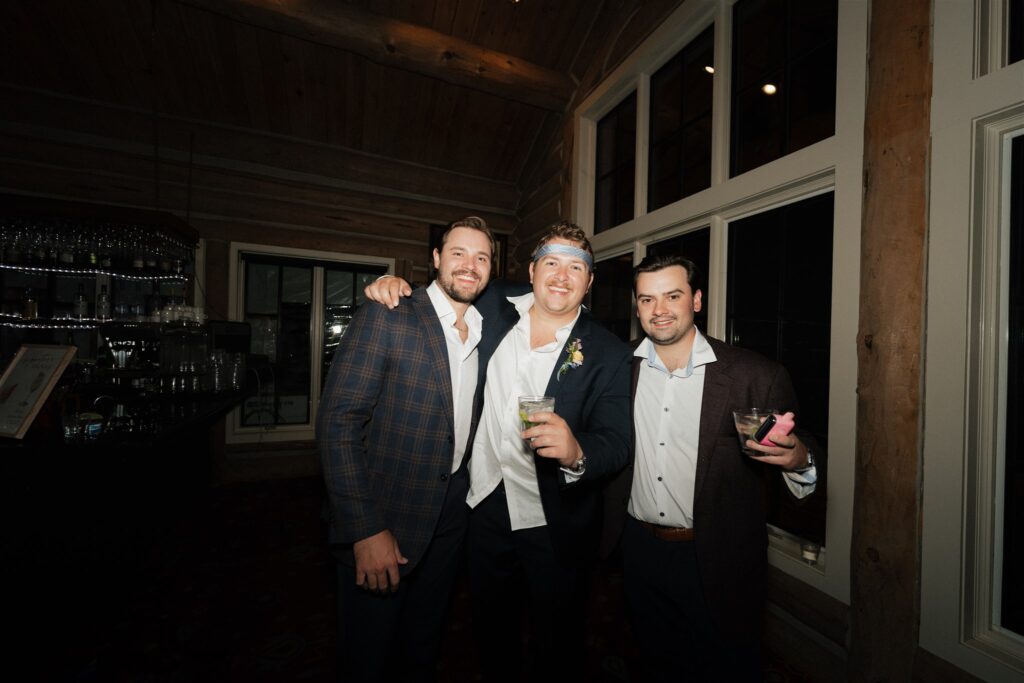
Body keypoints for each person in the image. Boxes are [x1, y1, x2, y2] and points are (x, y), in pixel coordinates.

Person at [365, 222, 632, 683]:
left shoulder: (609, 352)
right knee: (490, 629)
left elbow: (618, 441)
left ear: (589, 282)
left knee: (558, 639)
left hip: (554, 520)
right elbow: (445, 291)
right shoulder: (493, 304)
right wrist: (393, 287)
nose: (561, 276)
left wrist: (576, 452)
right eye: (551, 262)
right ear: (531, 271)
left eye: (576, 267)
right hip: (482, 506)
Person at [622, 252, 819, 682]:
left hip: (718, 557)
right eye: (646, 299)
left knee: (728, 666)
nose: (659, 310)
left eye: (672, 296)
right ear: (636, 308)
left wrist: (798, 460)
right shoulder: (620, 370)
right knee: (656, 662)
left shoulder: (755, 375)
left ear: (696, 300)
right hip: (638, 552)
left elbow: (800, 457)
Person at [317, 216, 494, 682]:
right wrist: (364, 527)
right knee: (367, 656)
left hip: (450, 516)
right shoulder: (390, 311)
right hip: (384, 515)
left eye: (482, 257)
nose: (469, 266)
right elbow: (338, 423)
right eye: (458, 253)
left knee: (422, 646)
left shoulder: (484, 327)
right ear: (436, 259)